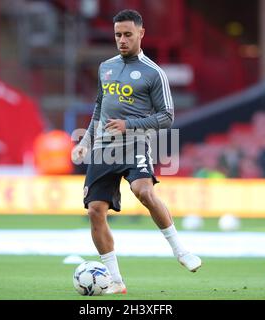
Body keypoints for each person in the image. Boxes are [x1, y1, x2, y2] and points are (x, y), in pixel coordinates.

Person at [72, 9, 201, 294]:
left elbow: (167, 116)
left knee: (143, 191)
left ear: (141, 34)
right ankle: (116, 281)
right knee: (95, 211)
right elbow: (99, 108)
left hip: (135, 144)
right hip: (104, 149)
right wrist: (85, 142)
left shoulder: (153, 73)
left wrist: (128, 124)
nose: (122, 40)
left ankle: (180, 250)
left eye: (128, 34)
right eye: (118, 35)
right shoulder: (105, 67)